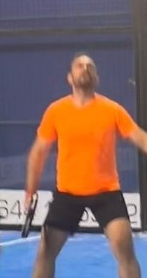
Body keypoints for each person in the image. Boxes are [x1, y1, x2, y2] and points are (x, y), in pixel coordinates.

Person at [25, 52, 147, 278]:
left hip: (106, 193)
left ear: (97, 78)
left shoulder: (112, 110)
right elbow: (37, 153)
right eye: (80, 65)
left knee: (125, 248)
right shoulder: (56, 111)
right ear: (69, 77)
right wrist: (30, 191)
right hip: (67, 194)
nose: (85, 68)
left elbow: (140, 138)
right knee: (45, 251)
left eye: (90, 65)